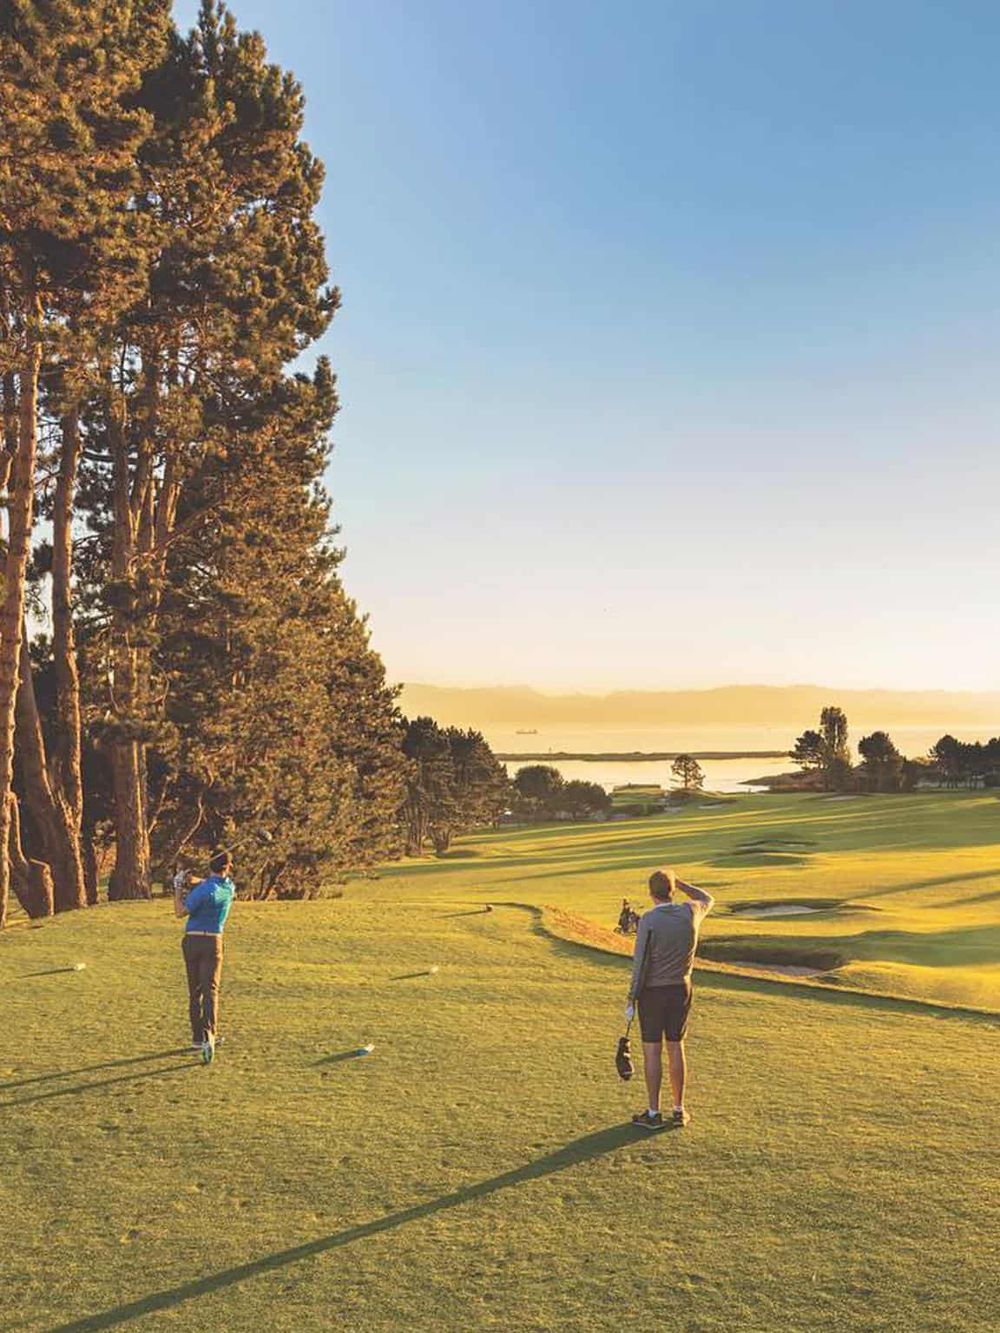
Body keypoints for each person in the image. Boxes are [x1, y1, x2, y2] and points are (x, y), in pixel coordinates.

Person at [625, 867, 714, 1129]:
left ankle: (653, 1113)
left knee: (652, 1051)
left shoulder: (649, 920)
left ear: (651, 893)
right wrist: (681, 883)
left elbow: (639, 963)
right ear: (672, 891)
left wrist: (631, 999)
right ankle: (679, 1109)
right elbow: (708, 897)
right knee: (676, 1046)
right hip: (681, 989)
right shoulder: (690, 912)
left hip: (652, 993)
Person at [175, 849, 237, 1064]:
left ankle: (196, 1038)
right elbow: (211, 883)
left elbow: (180, 911)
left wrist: (178, 887)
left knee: (195, 991)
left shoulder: (201, 891)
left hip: (192, 941)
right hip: (213, 941)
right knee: (211, 989)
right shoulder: (229, 888)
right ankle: (209, 1035)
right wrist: (191, 880)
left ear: (210, 866)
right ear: (227, 868)